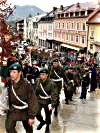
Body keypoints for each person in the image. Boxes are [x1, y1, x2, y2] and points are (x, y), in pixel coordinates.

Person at [5, 62, 38, 133]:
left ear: (19, 73)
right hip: (13, 110)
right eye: (10, 72)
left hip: (25, 110)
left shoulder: (27, 85)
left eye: (14, 72)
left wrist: (32, 116)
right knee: (9, 127)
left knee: (29, 130)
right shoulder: (9, 83)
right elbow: (6, 96)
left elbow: (32, 100)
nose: (11, 74)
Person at [35, 67, 58, 133]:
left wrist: (53, 104)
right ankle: (42, 122)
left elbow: (54, 95)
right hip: (39, 99)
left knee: (48, 115)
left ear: (47, 75)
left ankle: (47, 126)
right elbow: (35, 91)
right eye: (41, 74)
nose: (41, 76)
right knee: (37, 113)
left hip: (48, 101)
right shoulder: (37, 81)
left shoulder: (52, 83)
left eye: (43, 74)